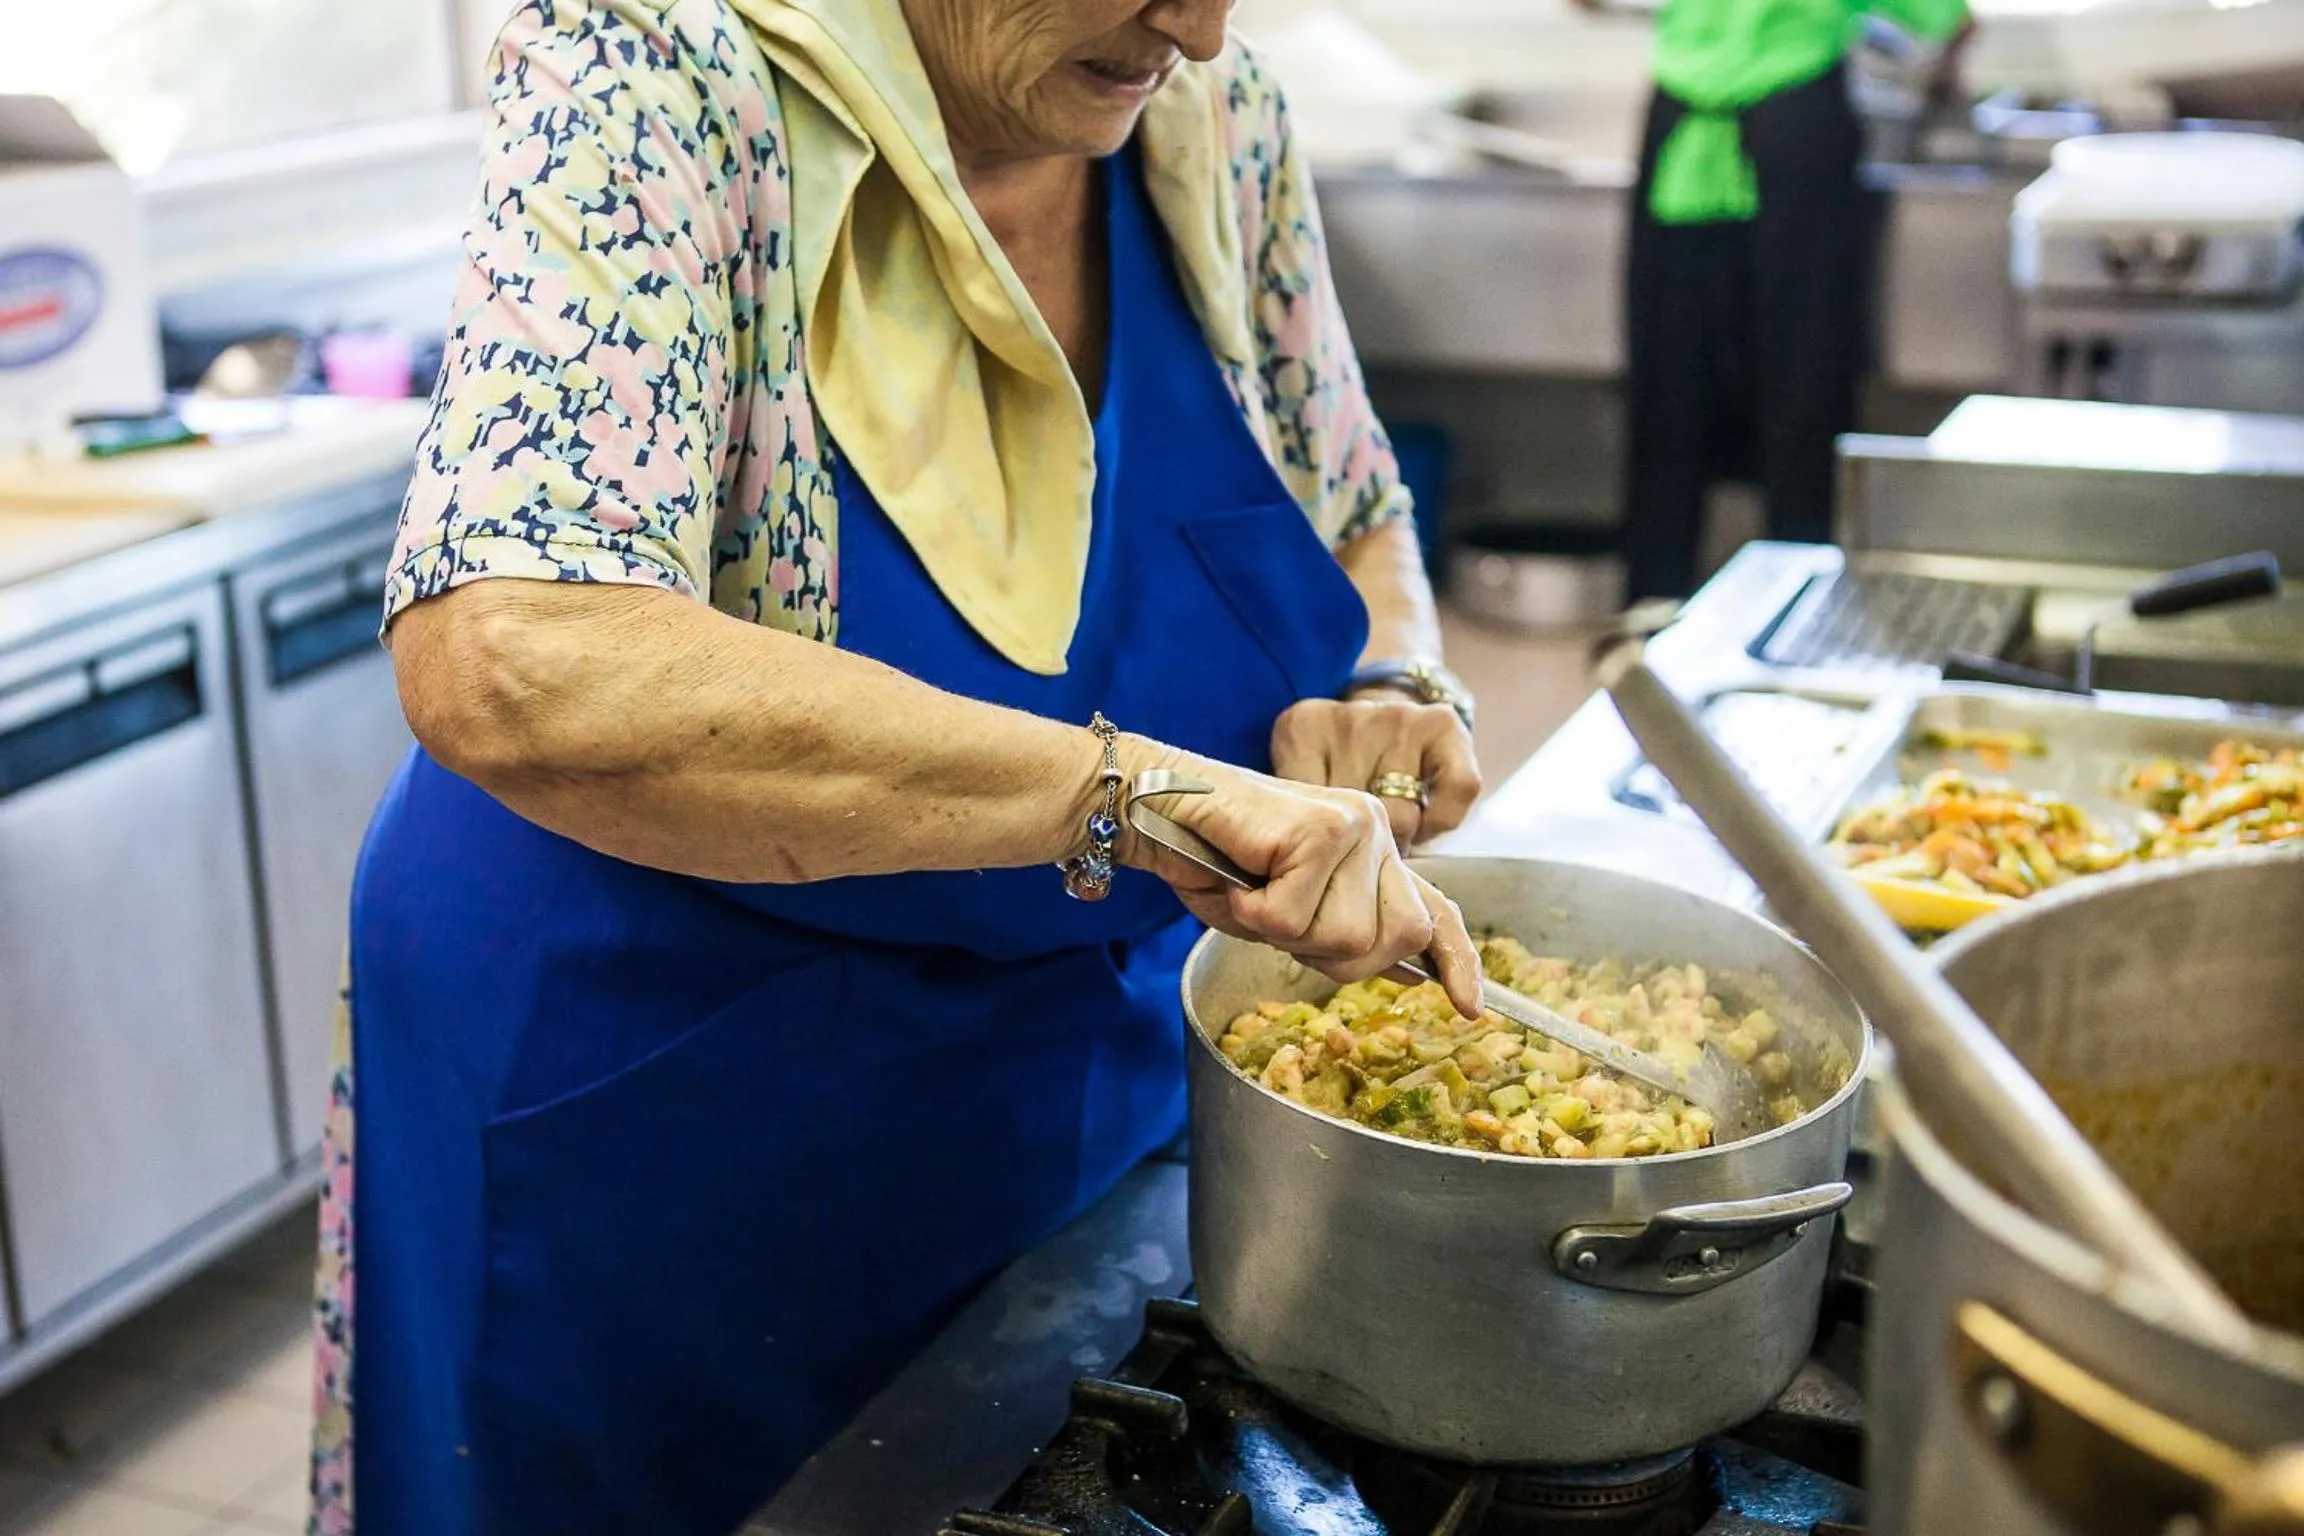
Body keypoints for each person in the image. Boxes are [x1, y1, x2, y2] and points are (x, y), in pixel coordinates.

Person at [305, 0, 1492, 1531]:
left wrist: (1395, 670)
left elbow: (1356, 496)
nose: (1196, 29)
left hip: (1060, 1072)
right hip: (664, 1102)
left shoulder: (1212, 117)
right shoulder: (655, 70)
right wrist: (1131, 797)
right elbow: (513, 650)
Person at [1594, 0, 1974, 600]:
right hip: (1792, 132)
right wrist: (1942, 78)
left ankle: (1650, 619)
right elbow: (1951, 20)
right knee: (1803, 387)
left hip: (1681, 132)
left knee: (1669, 394)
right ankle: (1800, 605)